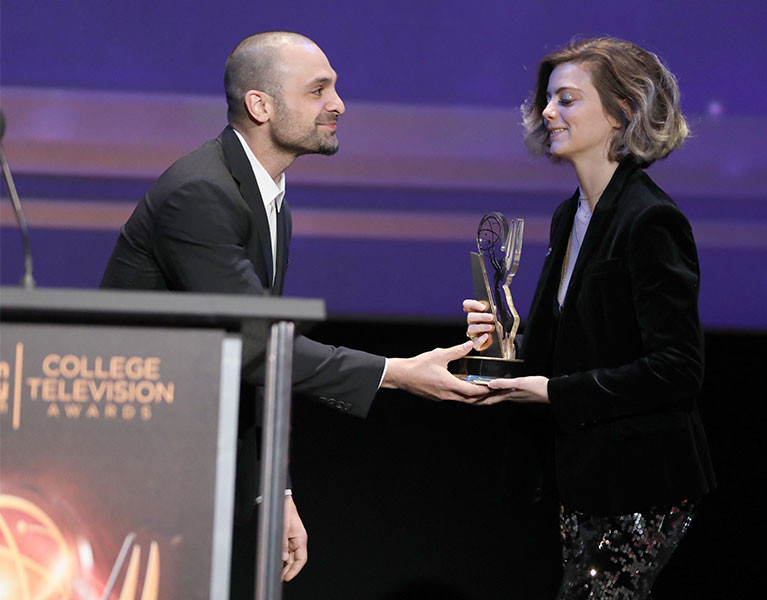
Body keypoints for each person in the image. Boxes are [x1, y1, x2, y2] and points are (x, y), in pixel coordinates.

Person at [100, 30, 488, 596]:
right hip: (133, 465)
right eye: (318, 90)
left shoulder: (267, 198)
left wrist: (274, 489)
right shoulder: (201, 193)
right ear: (261, 105)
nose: (339, 104)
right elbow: (259, 346)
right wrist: (398, 373)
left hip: (191, 465)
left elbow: (250, 362)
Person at [464, 38, 715, 599]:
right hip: (586, 474)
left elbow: (677, 369)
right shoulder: (569, 215)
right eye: (548, 99)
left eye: (567, 99)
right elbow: (579, 341)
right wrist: (506, 342)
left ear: (622, 112)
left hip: (642, 479)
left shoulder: (650, 219)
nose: (547, 112)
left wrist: (554, 392)